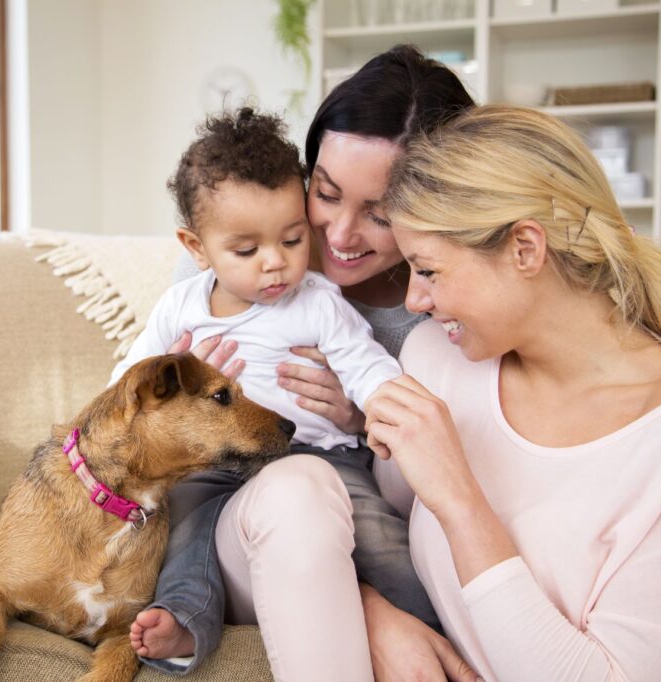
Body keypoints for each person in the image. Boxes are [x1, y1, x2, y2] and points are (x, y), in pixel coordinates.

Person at [363, 104, 661, 681]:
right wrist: (375, 614)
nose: (414, 302)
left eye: (428, 270)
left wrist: (460, 498)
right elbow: (384, 542)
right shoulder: (436, 361)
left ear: (525, 248)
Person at [131, 46, 480, 681]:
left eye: (381, 212)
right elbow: (128, 393)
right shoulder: (218, 262)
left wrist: (358, 419)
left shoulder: (438, 310)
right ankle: (186, 617)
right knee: (223, 517)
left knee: (343, 509)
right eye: (325, 193)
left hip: (332, 479)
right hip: (233, 500)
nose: (340, 236)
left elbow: (420, 451)